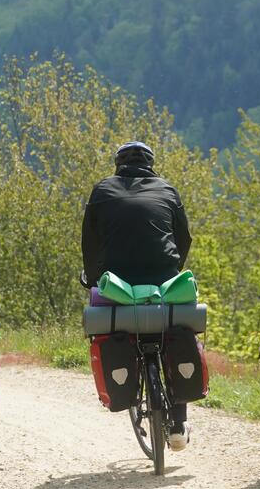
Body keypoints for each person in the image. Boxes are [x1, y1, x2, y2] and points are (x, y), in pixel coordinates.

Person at [81, 141, 193, 450]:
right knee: (173, 335)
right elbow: (183, 237)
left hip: (117, 280)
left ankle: (130, 380)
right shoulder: (167, 188)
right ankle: (178, 424)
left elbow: (89, 241)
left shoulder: (102, 190)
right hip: (164, 276)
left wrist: (92, 278)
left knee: (123, 328)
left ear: (118, 165)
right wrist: (173, 270)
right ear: (151, 164)